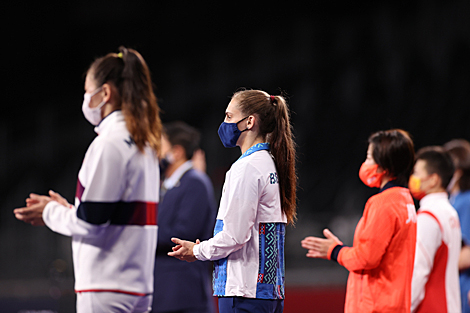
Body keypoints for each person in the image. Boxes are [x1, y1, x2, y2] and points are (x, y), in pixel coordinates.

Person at [14, 46, 161, 313]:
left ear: (105, 93)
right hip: (135, 287)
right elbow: (113, 216)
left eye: (87, 91)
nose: (85, 98)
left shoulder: (109, 143)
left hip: (107, 288)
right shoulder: (143, 142)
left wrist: (50, 212)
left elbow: (91, 224)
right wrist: (70, 210)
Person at [166, 89, 297, 313]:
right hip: (267, 292)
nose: (224, 123)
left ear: (249, 122)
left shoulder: (246, 168)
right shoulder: (270, 163)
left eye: (229, 116)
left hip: (243, 291)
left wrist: (197, 251)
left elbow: (235, 235)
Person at [301, 129, 417, 313]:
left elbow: (366, 258)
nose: (366, 163)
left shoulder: (383, 203)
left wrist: (335, 251)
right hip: (395, 303)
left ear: (383, 164)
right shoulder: (405, 200)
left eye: (370, 158)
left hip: (375, 305)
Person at [152, 121, 217, 313]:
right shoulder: (168, 184)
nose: (156, 151)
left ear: (177, 151)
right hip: (165, 292)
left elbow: (183, 233)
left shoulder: (195, 182)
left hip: (182, 293)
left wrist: (140, 235)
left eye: (161, 145)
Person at [408, 146, 461, 312]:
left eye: (417, 173)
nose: (413, 178)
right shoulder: (449, 212)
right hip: (449, 305)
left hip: (431, 307)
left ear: (433, 180)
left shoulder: (428, 217)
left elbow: (419, 270)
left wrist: (404, 307)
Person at [444, 139, 470, 313]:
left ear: (458, 172)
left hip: (463, 290)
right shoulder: (451, 201)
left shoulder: (465, 201)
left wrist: (436, 263)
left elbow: (468, 253)